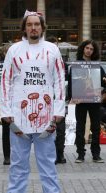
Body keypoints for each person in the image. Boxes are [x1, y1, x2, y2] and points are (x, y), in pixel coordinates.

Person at [0, 10, 66, 193]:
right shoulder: (14, 50)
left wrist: (59, 112)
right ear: (24, 27)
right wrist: (6, 112)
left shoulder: (53, 50)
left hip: (45, 116)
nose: (33, 28)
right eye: (30, 24)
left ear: (42, 27)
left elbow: (60, 82)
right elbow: (5, 82)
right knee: (18, 162)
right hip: (19, 116)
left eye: (37, 24)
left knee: (47, 161)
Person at [70, 40, 106, 163]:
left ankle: (96, 154)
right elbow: (71, 82)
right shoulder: (76, 65)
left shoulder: (97, 66)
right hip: (81, 101)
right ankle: (80, 154)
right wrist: (71, 97)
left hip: (94, 100)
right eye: (87, 48)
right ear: (83, 49)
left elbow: (105, 81)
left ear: (94, 51)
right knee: (80, 127)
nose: (89, 50)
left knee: (96, 128)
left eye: (91, 49)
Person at [46, 36, 66, 164]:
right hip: (48, 101)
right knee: (49, 130)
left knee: (61, 130)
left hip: (59, 101)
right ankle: (51, 154)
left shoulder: (62, 62)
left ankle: (60, 153)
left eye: (56, 45)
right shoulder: (44, 62)